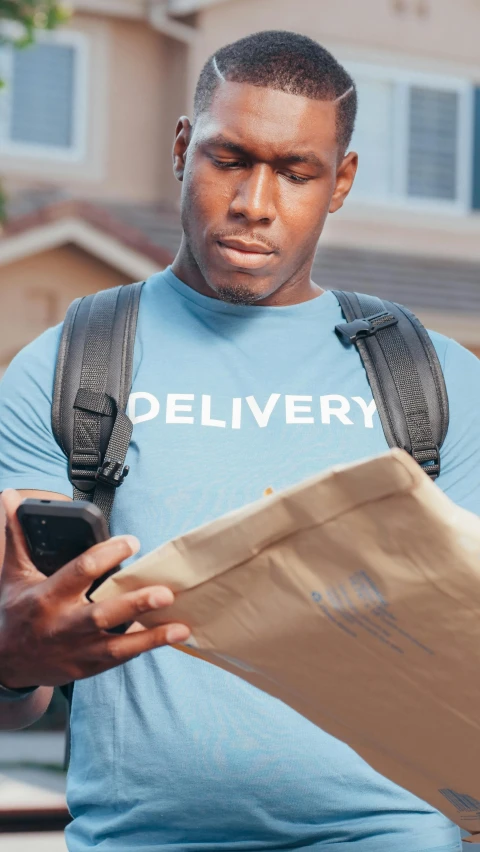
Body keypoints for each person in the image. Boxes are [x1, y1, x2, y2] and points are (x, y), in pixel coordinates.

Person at [0, 30, 477, 852]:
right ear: (183, 149)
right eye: (230, 159)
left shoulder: (434, 380)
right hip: (140, 840)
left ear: (342, 182)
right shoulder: (67, 368)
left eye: (297, 173)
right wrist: (14, 660)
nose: (256, 202)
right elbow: (22, 676)